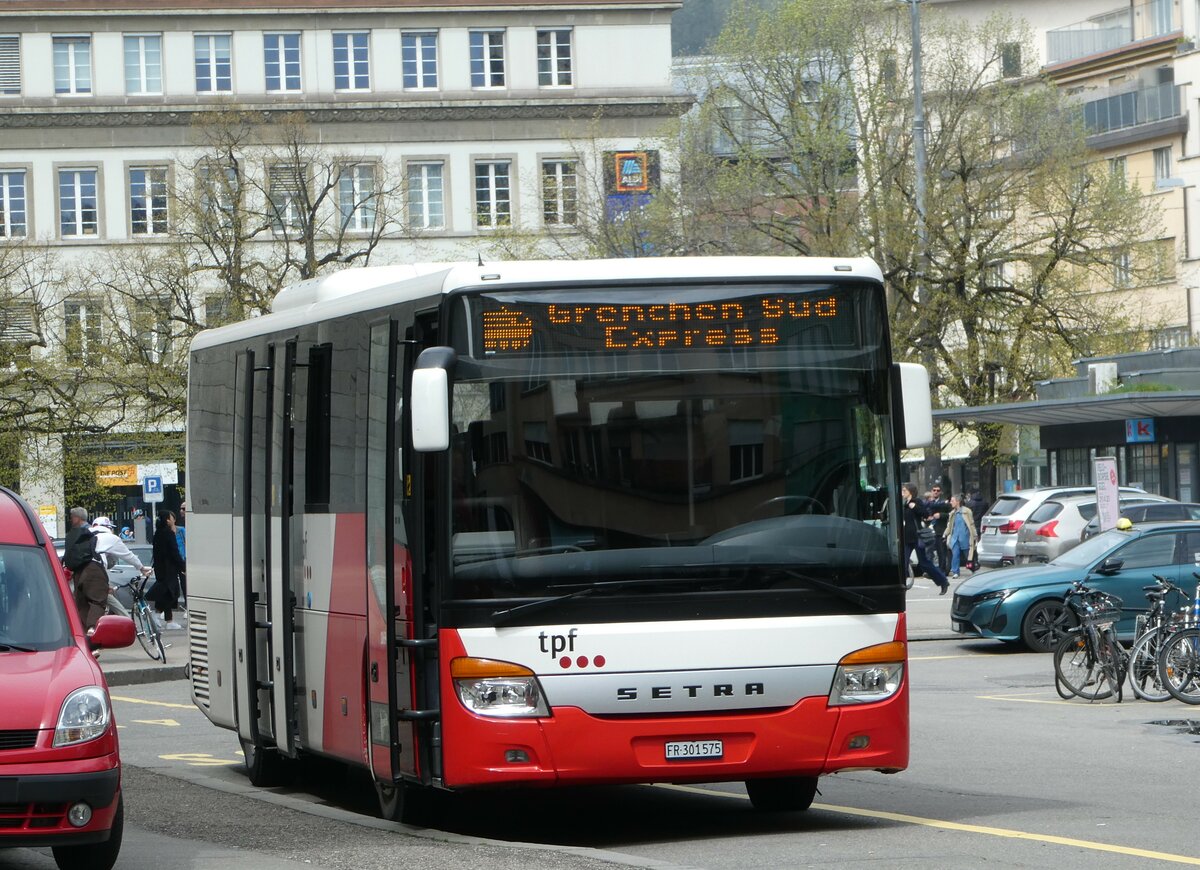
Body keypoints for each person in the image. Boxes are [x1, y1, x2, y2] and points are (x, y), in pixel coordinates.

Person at [90, 517, 153, 629]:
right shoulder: (111, 538)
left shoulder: (85, 535)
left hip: (78, 573)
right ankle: (128, 624)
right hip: (95, 573)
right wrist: (141, 568)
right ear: (108, 527)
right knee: (107, 598)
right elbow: (128, 555)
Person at [63, 507, 110, 632]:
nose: (71, 520)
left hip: (78, 571)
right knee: (97, 600)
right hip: (93, 569)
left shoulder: (75, 534)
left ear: (77, 518)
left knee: (82, 603)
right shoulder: (92, 532)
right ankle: (91, 628)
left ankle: (85, 631)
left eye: (72, 517)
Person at [902, 483, 950, 594]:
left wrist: (914, 507)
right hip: (907, 538)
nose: (903, 492)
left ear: (910, 491)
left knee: (924, 563)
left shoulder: (917, 502)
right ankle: (901, 587)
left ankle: (943, 581)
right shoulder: (905, 504)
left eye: (904, 490)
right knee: (903, 563)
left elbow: (925, 514)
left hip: (917, 537)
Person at [151, 509, 187, 629]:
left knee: (167, 593)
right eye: (171, 518)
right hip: (169, 568)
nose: (173, 520)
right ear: (167, 520)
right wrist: (182, 566)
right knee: (172, 593)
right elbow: (174, 552)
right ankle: (163, 618)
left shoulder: (158, 533)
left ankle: (164, 618)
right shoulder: (169, 533)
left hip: (160, 568)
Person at [943, 494, 978, 580]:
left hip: (965, 537)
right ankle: (955, 572)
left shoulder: (967, 511)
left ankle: (972, 569)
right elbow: (950, 526)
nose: (951, 502)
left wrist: (974, 535)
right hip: (955, 537)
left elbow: (971, 524)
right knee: (955, 554)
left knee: (968, 555)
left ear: (958, 502)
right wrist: (945, 534)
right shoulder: (952, 513)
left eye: (952, 501)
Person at [925, 484, 951, 571]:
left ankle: (942, 569)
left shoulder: (945, 503)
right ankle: (930, 570)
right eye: (934, 490)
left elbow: (950, 514)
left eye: (938, 490)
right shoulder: (928, 502)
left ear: (940, 492)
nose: (936, 492)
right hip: (929, 530)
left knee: (941, 552)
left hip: (940, 530)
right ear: (931, 491)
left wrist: (941, 515)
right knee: (929, 552)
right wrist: (926, 518)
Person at [175, 501, 187, 606]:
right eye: (181, 508)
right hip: (179, 559)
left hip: (185, 559)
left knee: (185, 584)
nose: (181, 511)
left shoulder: (182, 529)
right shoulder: (180, 527)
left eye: (184, 509)